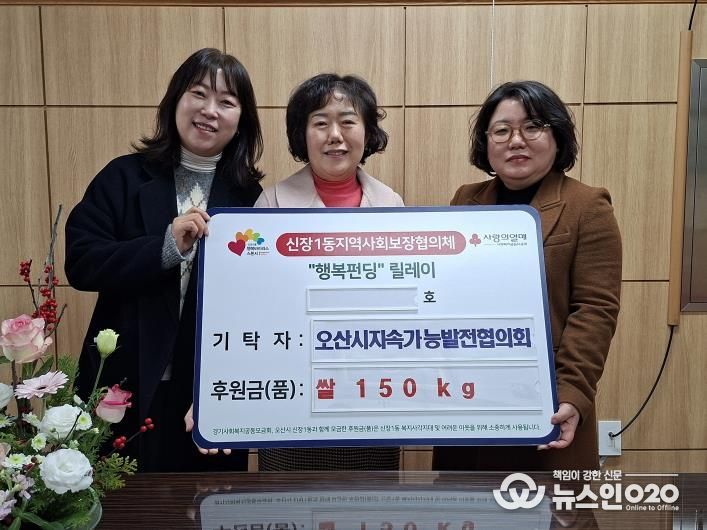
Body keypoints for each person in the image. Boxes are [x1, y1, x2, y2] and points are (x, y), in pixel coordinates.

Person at [65, 48, 264, 472]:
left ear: (241, 120)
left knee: (211, 502)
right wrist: (165, 246)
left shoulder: (250, 196)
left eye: (227, 101)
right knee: (122, 499)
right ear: (175, 100)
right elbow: (81, 261)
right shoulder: (123, 176)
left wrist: (226, 390)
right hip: (126, 383)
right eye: (199, 94)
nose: (210, 110)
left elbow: (257, 307)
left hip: (209, 396)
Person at [433, 81, 622, 471]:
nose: (516, 141)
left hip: (546, 403)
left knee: (545, 504)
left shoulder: (588, 206)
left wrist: (572, 392)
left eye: (532, 127)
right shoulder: (465, 199)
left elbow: (595, 310)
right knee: (464, 501)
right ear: (486, 142)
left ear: (557, 135)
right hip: (468, 400)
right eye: (501, 130)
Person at [256, 73, 403, 470]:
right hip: (295, 389)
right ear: (301, 135)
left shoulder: (391, 203)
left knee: (371, 496)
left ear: (367, 132)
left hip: (372, 391)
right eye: (320, 123)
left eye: (348, 121)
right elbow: (255, 305)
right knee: (288, 497)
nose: (335, 135)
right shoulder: (271, 203)